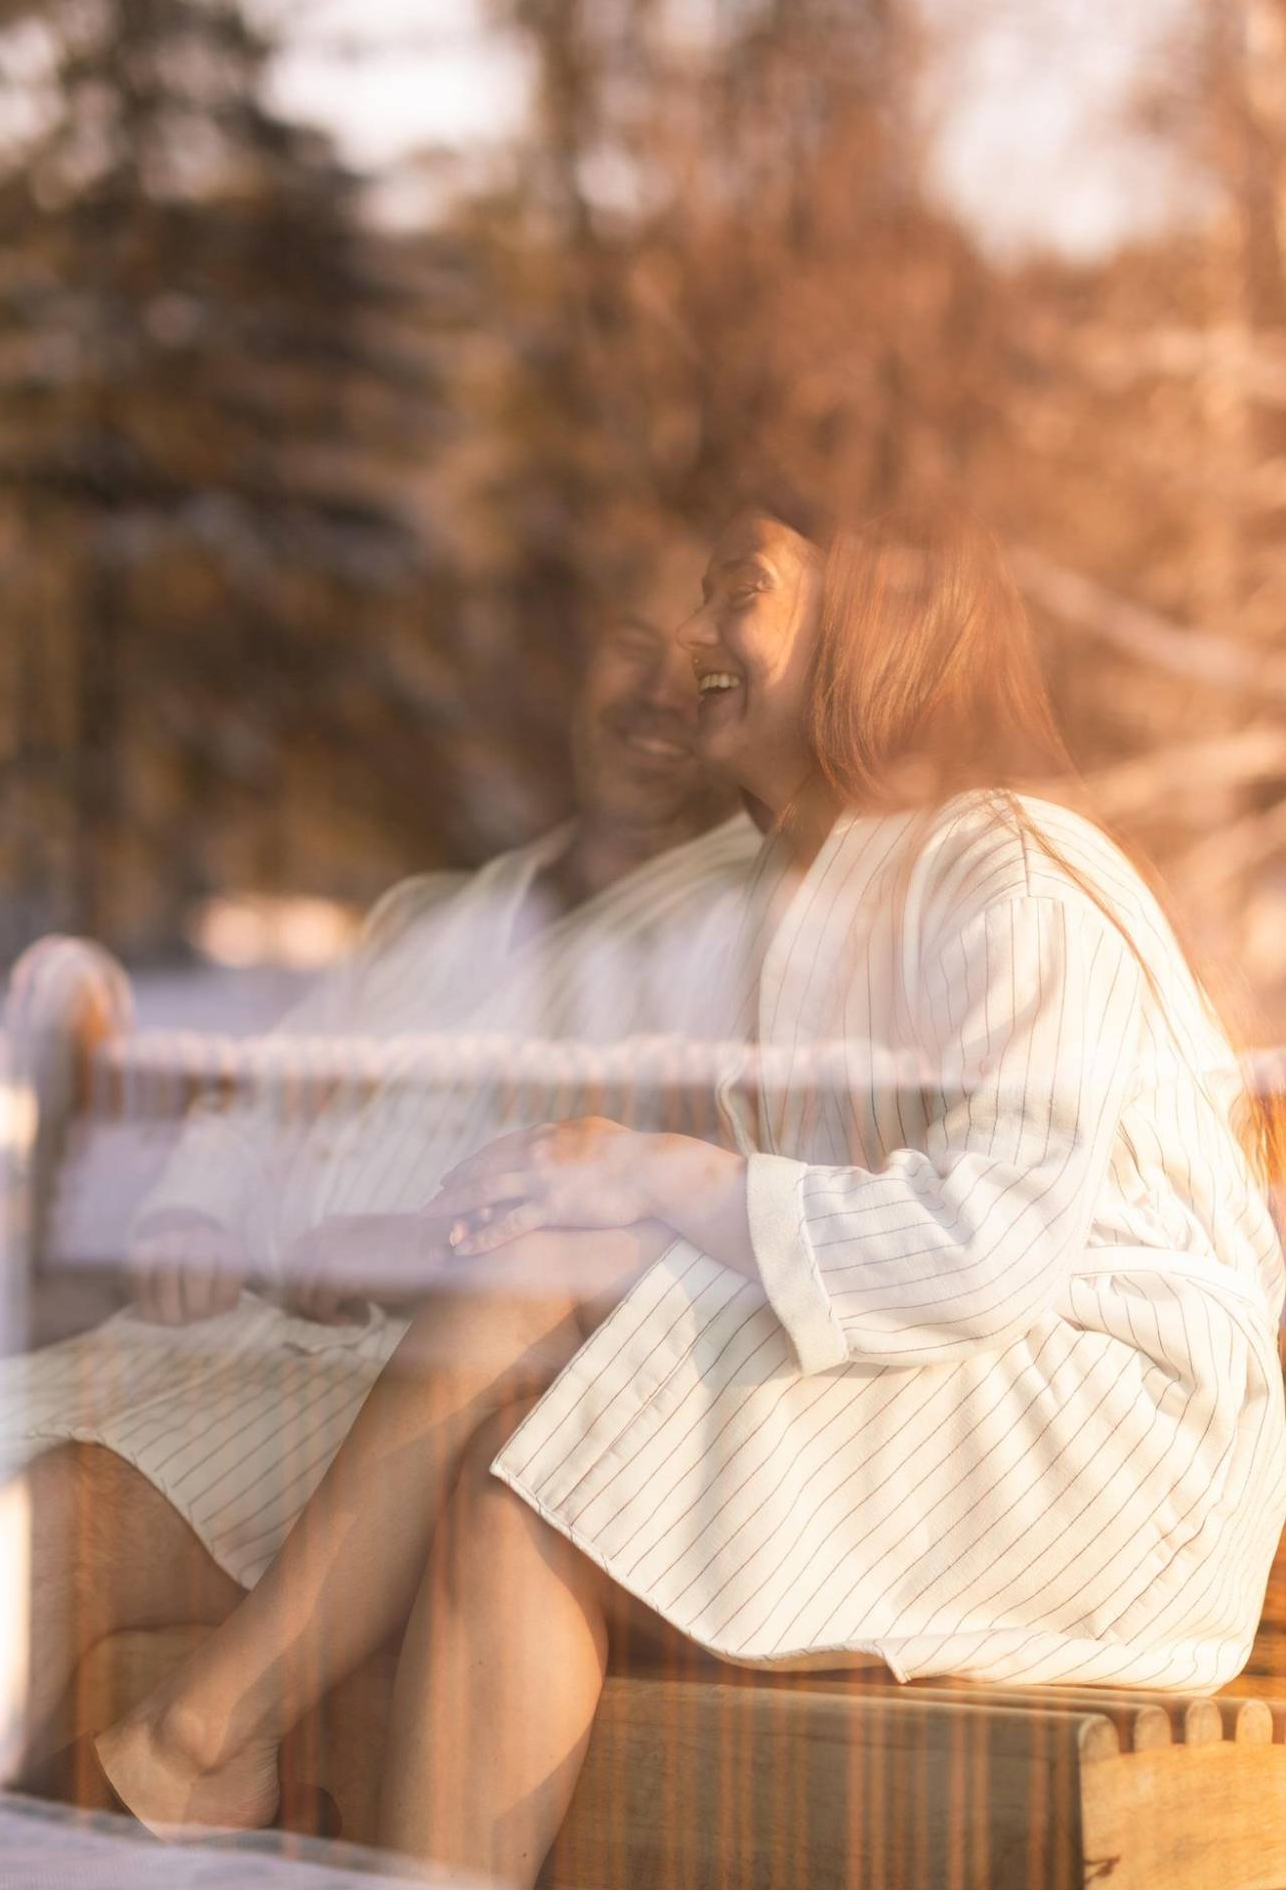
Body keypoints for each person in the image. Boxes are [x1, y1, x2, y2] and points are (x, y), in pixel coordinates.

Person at [64, 509, 1286, 1883]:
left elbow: (983, 1245)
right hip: (959, 1388)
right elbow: (721, 1225)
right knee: (526, 1464)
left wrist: (656, 1173)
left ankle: (205, 1734)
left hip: (1122, 1444)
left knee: (553, 1390)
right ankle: (217, 1743)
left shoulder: (1005, 863)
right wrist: (451, 1228)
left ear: (873, 621)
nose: (695, 639)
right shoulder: (801, 900)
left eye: (738, 592)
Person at [0, 551, 758, 1778]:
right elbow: (260, 1101)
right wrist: (192, 1212)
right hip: (207, 1345)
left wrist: (421, 1246)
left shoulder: (751, 925)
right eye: (629, 646)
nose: (654, 691)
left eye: (697, 671)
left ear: (750, 701)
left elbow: (678, 1218)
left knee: (49, 1525)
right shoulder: (434, 913)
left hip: (395, 1405)